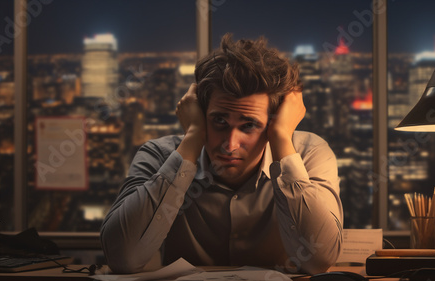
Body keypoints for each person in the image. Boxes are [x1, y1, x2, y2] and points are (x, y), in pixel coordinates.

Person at [100, 33, 343, 275]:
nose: (230, 144)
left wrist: (281, 138)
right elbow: (123, 257)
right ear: (199, 114)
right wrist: (193, 137)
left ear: (274, 122)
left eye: (249, 125)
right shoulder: (158, 156)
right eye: (219, 120)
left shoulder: (309, 154)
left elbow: (318, 260)